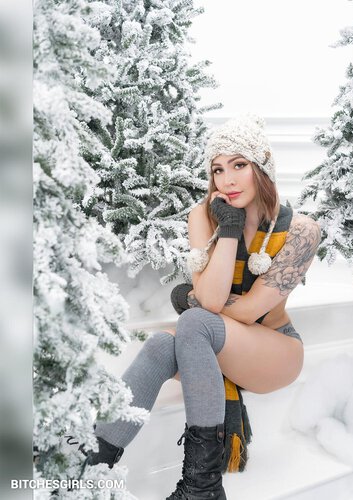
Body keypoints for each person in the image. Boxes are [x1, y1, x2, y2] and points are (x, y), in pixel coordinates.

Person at [73, 115, 321, 500]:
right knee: (161, 344)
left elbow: (244, 311)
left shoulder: (301, 230)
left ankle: (201, 487)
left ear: (262, 167)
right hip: (217, 345)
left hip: (274, 351)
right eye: (218, 169)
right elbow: (212, 302)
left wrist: (194, 299)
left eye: (239, 165)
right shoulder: (203, 216)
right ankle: (90, 464)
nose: (227, 180)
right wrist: (229, 229)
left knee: (195, 320)